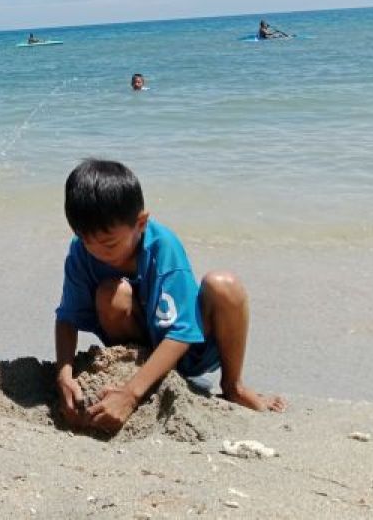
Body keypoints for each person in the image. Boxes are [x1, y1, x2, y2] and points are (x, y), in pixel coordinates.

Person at [53, 159, 285, 434]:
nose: (96, 252)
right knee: (111, 295)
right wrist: (63, 375)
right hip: (140, 348)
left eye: (108, 244)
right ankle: (137, 375)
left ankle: (233, 386)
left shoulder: (164, 247)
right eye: (86, 241)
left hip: (189, 349)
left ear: (140, 223)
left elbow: (183, 332)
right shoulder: (82, 250)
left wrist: (130, 396)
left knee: (225, 285)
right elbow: (68, 318)